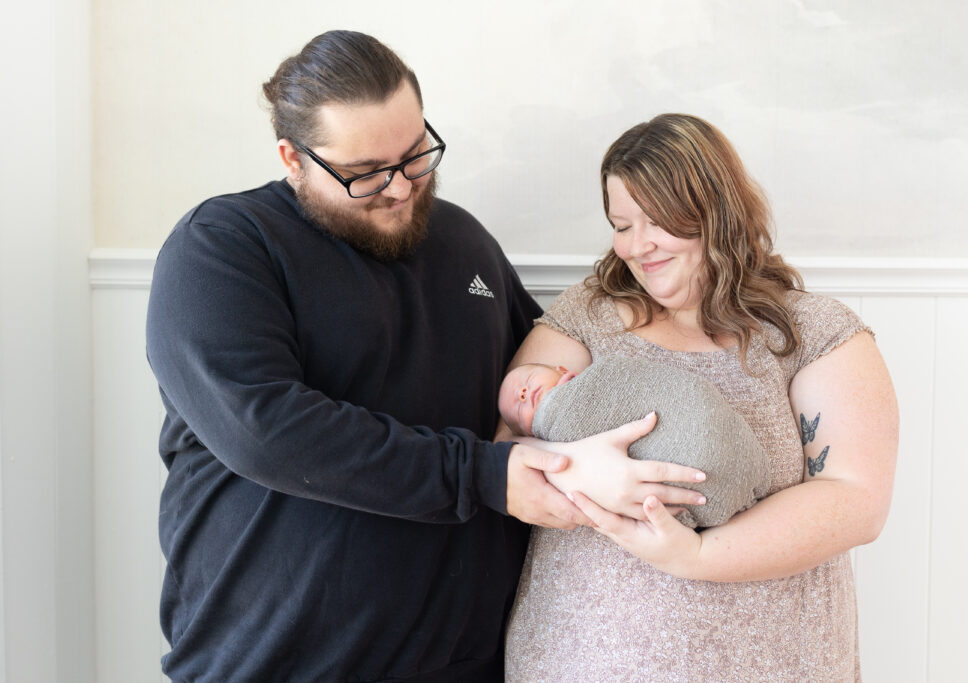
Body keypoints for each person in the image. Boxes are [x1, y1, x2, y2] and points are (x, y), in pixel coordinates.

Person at [145, 31, 708, 682]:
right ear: (292, 159)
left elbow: (556, 377)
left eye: (416, 156)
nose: (400, 187)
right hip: (275, 661)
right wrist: (485, 474)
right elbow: (264, 430)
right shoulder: (222, 249)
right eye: (364, 174)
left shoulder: (464, 242)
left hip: (467, 660)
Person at [503, 114, 899, 681]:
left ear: (715, 211)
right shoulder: (586, 317)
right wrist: (588, 477)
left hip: (777, 660)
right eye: (621, 224)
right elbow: (508, 450)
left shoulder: (813, 332)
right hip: (588, 661)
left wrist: (695, 557)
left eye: (657, 221)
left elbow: (857, 499)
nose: (637, 247)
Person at [498, 356, 770, 528]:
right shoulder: (551, 434)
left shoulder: (599, 378)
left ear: (561, 369)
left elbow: (630, 380)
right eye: (518, 410)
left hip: (697, 417)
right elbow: (516, 450)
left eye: (528, 380)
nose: (523, 393)